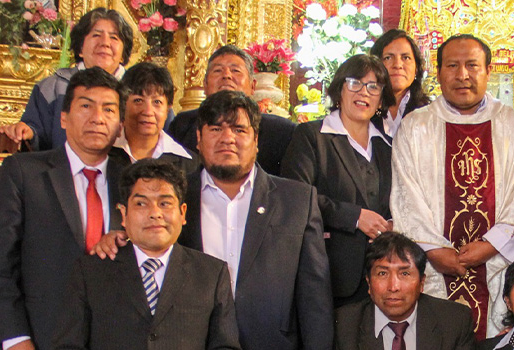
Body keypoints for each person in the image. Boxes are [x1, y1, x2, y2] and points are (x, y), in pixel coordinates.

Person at [94, 90, 332, 350]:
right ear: (198, 138)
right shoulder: (174, 200)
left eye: (240, 130)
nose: (227, 138)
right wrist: (118, 237)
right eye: (216, 129)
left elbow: (315, 298)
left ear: (256, 140)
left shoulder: (297, 200)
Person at [390, 34, 514, 338]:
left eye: (472, 65)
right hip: (434, 269)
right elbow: (406, 196)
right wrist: (435, 251)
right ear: (438, 74)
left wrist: (490, 246)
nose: (462, 75)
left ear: (488, 71)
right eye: (452, 65)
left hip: (497, 266)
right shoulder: (415, 126)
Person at [0, 68, 130, 350]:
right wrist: (16, 339)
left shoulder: (133, 179)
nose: (98, 118)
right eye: (86, 106)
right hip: (40, 337)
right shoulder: (24, 172)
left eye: (109, 110)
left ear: (120, 125)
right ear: (63, 117)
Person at [55, 159, 240, 350]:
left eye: (165, 203)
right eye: (141, 203)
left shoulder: (212, 273)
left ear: (183, 213)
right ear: (124, 214)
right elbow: (68, 345)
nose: (155, 213)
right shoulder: (90, 271)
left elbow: (225, 346)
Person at [280, 54, 396, 307]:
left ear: (380, 99)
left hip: (382, 277)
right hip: (328, 272)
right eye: (355, 83)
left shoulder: (388, 147)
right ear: (339, 90)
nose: (364, 92)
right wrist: (354, 216)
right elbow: (296, 196)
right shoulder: (312, 137)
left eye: (373, 86)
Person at [0, 8, 136, 151]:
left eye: (114, 37)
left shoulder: (138, 91)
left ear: (123, 54)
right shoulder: (52, 88)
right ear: (80, 49)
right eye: (96, 35)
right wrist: (28, 133)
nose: (105, 43)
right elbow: (37, 135)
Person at [167, 45, 296, 175]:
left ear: (253, 86)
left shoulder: (282, 132)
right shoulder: (183, 126)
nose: (227, 75)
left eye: (236, 70)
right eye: (218, 71)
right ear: (205, 85)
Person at [335, 232, 476, 350]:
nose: (393, 286)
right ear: (369, 283)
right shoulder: (344, 324)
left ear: (422, 282)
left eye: (404, 274)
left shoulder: (455, 322)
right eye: (382, 274)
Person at [112, 62, 200, 173]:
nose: (148, 111)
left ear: (168, 109)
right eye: (138, 100)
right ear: (123, 104)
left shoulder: (189, 165)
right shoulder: (105, 153)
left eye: (157, 102)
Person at [369, 29, 432, 137]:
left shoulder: (429, 114)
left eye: (406, 58)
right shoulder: (365, 108)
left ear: (416, 68)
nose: (397, 65)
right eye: (388, 58)